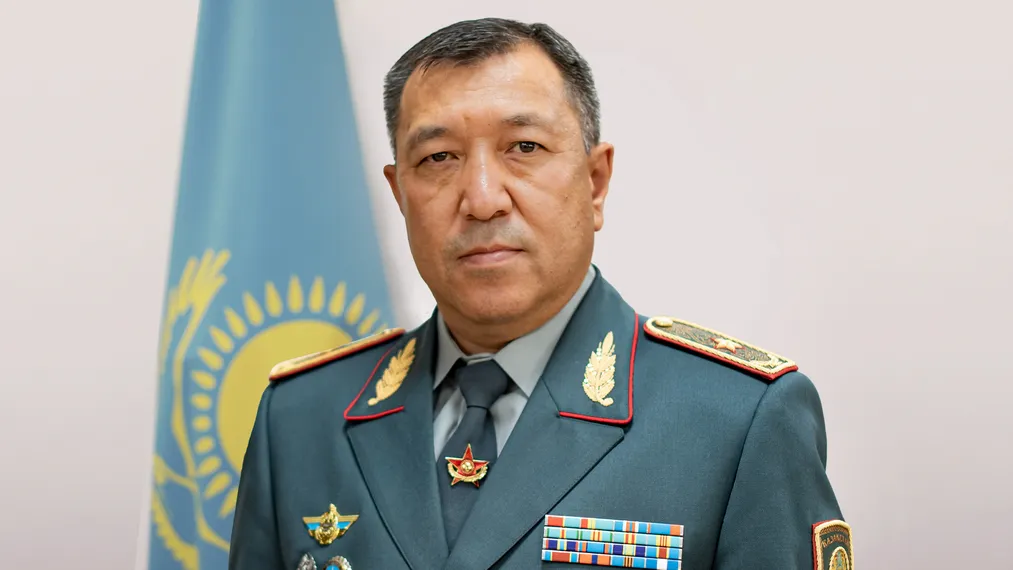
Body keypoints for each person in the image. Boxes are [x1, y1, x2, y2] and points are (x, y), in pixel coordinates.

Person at [228, 17, 851, 570]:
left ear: (595, 182)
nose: (481, 199)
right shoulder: (301, 419)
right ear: (399, 195)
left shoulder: (735, 422)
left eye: (523, 148)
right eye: (438, 158)